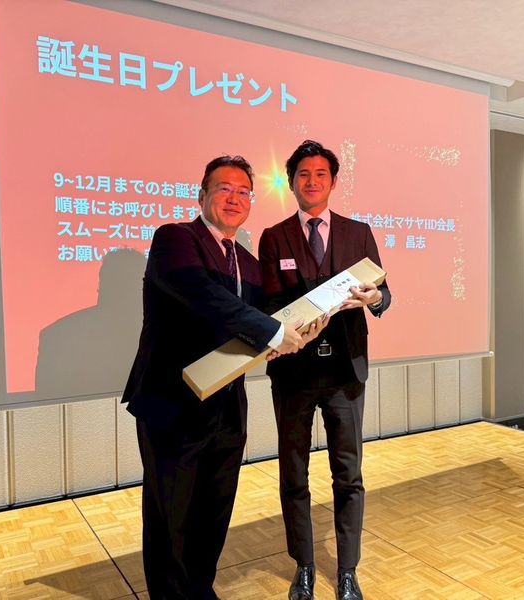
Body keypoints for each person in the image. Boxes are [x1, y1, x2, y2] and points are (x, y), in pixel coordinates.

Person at [122, 155, 325, 600]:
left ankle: (200, 589)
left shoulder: (248, 263)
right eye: (224, 189)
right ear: (203, 195)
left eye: (243, 192)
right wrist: (275, 332)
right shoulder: (175, 239)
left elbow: (267, 318)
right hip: (173, 403)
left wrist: (312, 319)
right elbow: (204, 297)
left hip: (228, 404)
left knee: (214, 510)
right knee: (170, 514)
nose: (234, 199)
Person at [259, 140, 392, 600]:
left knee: (348, 474)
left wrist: (376, 298)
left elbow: (382, 292)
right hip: (293, 374)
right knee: (293, 474)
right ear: (291, 183)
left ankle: (348, 569)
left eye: (320, 174)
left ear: (333, 182)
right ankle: (304, 565)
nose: (311, 182)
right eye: (303, 174)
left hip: (345, 374)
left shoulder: (359, 232)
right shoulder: (274, 237)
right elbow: (268, 303)